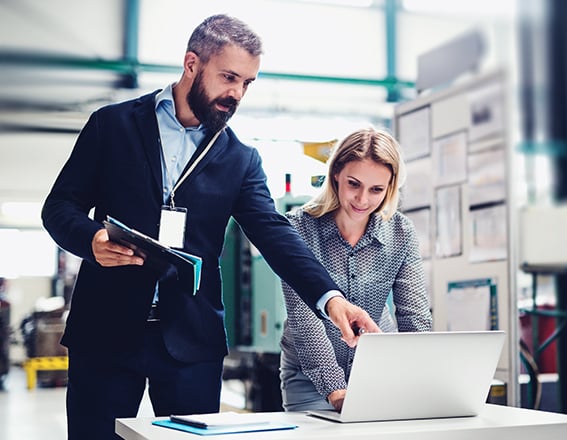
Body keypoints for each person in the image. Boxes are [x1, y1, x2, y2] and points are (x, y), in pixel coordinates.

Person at [41, 14, 379, 440]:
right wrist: (90, 241)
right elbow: (59, 208)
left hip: (190, 339)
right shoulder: (112, 126)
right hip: (106, 330)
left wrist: (331, 300)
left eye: (247, 83)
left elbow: (276, 236)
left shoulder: (240, 158)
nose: (236, 93)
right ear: (191, 64)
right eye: (229, 77)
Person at [279, 127, 433, 412]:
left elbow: (414, 315)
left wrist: (420, 379)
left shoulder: (401, 233)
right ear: (336, 173)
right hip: (310, 376)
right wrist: (338, 394)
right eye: (354, 184)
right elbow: (305, 322)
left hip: (378, 371)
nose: (362, 200)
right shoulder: (298, 228)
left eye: (376, 189)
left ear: (391, 187)